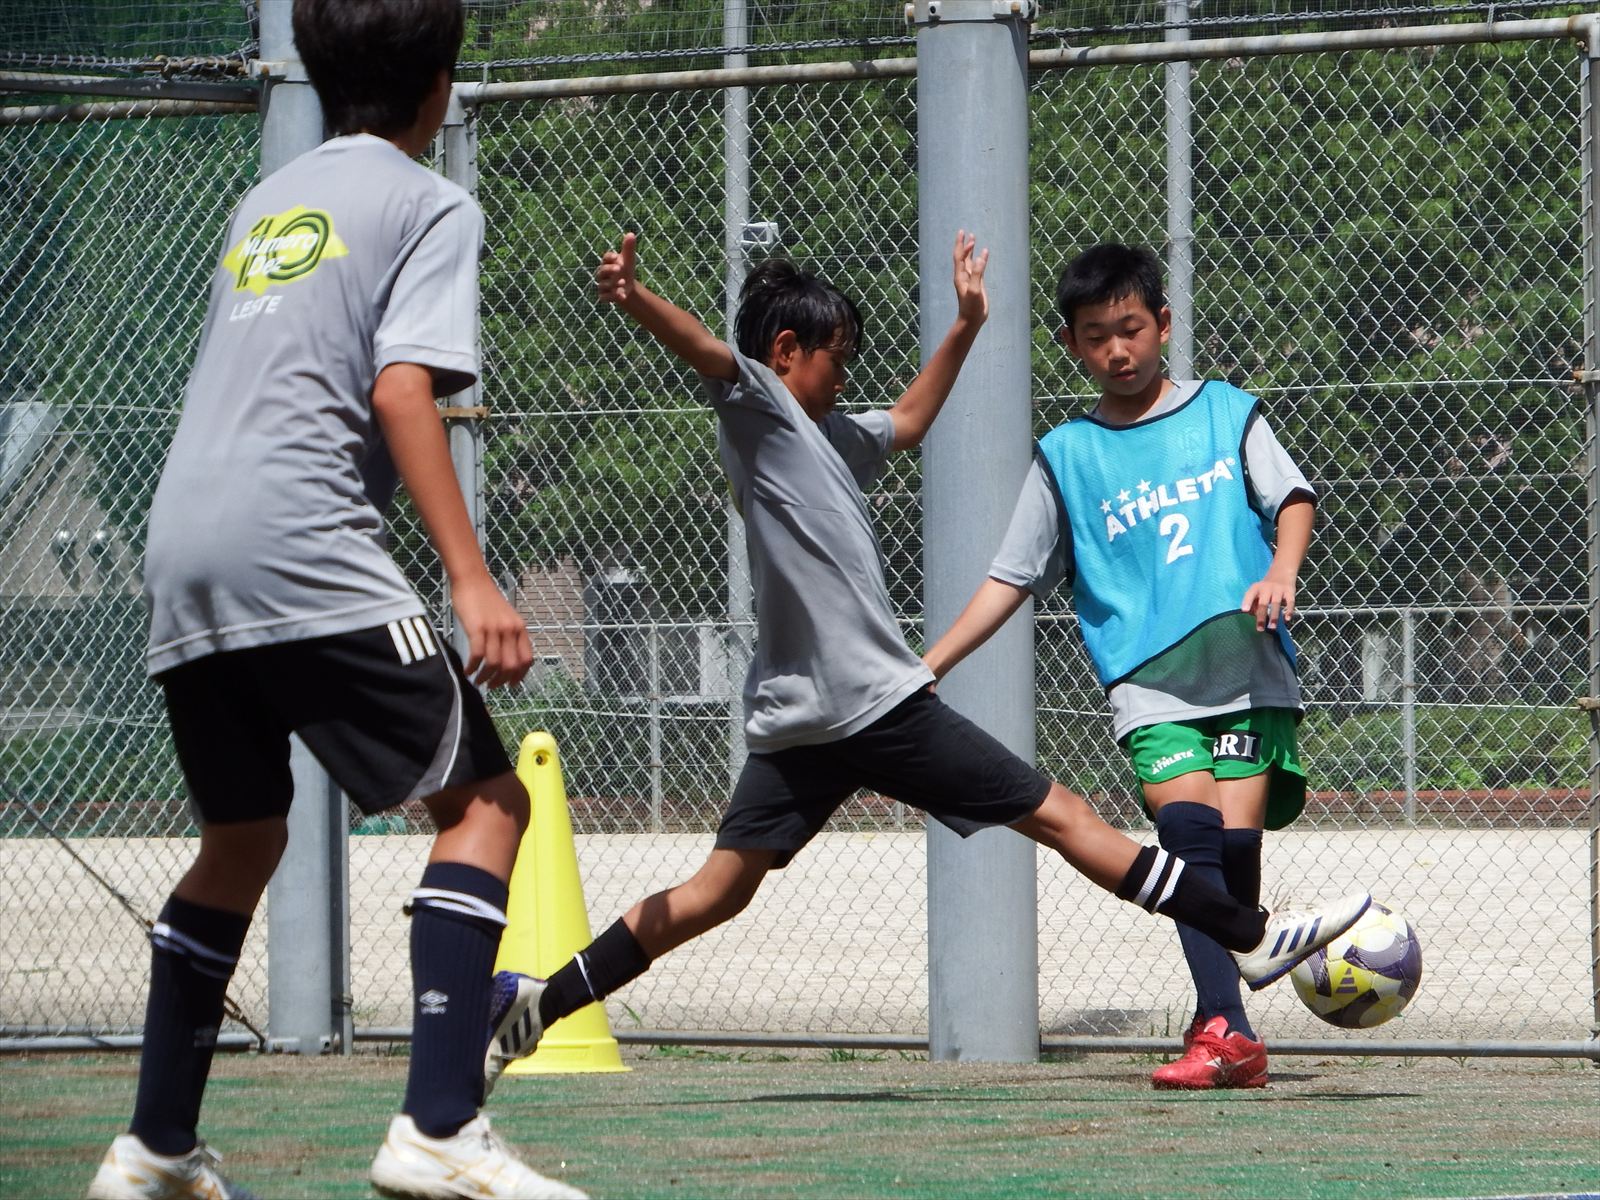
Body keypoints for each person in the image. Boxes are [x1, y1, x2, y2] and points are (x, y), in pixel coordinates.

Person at [478, 231, 1370, 1092]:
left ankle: (538, 1002)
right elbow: (709, 350)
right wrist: (637, 299)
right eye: (837, 357)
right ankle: (1252, 933)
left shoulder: (827, 435)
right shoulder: (760, 408)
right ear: (785, 354)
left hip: (798, 721)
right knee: (1062, 816)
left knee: (716, 891)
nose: (847, 374)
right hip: (876, 708)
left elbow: (908, 419)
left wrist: (967, 325)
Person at [87, 3, 584, 1198]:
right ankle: (439, 1127)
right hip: (301, 544)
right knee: (488, 805)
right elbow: (401, 391)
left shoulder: (265, 202)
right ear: (440, 87)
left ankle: (152, 1150)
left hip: (184, 547)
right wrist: (470, 576)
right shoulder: (431, 203)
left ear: (313, 74)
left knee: (242, 837)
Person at [922, 242, 1320, 1090]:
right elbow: (1011, 577)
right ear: (1071, 343)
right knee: (1188, 837)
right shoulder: (1067, 455)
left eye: (1131, 329)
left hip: (1245, 668)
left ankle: (1226, 1025)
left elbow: (1291, 497)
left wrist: (1282, 571)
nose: (1117, 350)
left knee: (1233, 850)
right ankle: (1226, 1027)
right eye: (1097, 336)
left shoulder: (1227, 412)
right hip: (1151, 684)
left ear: (1163, 324)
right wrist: (933, 661)